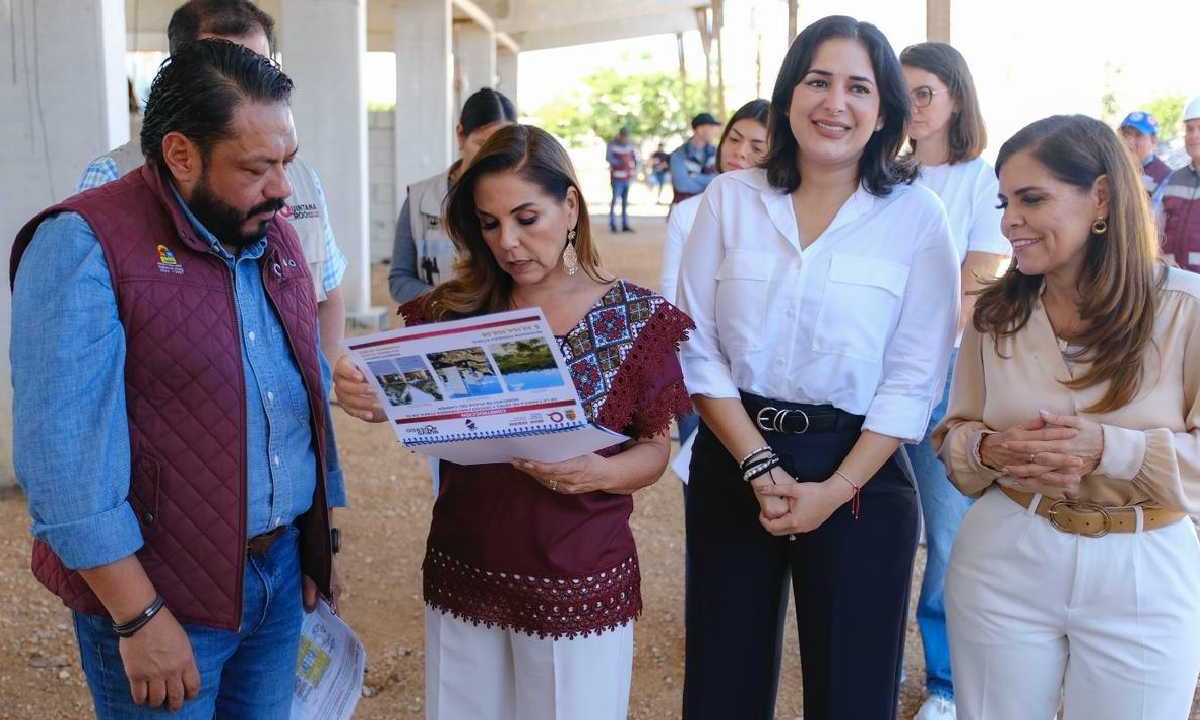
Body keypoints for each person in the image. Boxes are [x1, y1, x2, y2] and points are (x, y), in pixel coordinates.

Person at [11, 39, 344, 719]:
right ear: (181, 154)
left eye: (287, 161)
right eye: (257, 167)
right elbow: (64, 462)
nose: (282, 187)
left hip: (278, 576)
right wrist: (137, 617)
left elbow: (300, 397)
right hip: (164, 597)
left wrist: (318, 539)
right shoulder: (83, 242)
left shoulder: (267, 226)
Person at [334, 124, 693, 720]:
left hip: (577, 572)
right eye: (490, 222)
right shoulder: (449, 313)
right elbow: (399, 397)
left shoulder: (635, 318)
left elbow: (655, 448)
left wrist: (597, 475)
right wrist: (367, 396)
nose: (509, 242)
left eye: (527, 218)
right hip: (466, 565)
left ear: (570, 205)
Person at [677, 15, 958, 720]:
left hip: (858, 468)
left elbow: (913, 375)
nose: (836, 103)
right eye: (818, 81)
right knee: (722, 681)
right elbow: (697, 346)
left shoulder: (916, 217)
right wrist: (757, 465)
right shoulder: (730, 200)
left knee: (853, 690)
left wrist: (834, 489)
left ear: (885, 109)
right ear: (788, 94)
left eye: (858, 87)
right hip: (737, 452)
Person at [934, 113, 1200, 720]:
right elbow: (954, 436)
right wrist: (986, 451)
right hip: (1005, 553)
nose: (1008, 221)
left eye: (1032, 199)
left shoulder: (1188, 311)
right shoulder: (992, 315)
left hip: (1145, 567)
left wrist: (1111, 449)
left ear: (1101, 197)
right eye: (1004, 202)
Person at [76, 0, 348, 365]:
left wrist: (328, 377)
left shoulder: (300, 179)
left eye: (259, 67)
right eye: (224, 66)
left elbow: (326, 296)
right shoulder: (112, 179)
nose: (246, 84)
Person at [898, 41, 1012, 720]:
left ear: (957, 99)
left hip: (942, 375)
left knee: (947, 532)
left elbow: (977, 284)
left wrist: (909, 359)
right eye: (900, 91)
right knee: (872, 520)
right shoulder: (883, 173)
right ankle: (873, 658)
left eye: (925, 93)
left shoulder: (979, 178)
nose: (911, 106)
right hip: (871, 372)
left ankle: (944, 683)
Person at [661, 99, 769, 455]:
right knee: (701, 484)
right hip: (699, 372)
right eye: (734, 139)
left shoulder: (783, 216)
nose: (739, 153)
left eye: (757, 147)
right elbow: (673, 300)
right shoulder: (687, 213)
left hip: (759, 379)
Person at [389, 87, 517, 302]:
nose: (492, 154)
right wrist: (451, 303)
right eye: (482, 143)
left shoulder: (521, 196)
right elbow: (399, 280)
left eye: (502, 144)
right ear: (460, 135)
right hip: (438, 325)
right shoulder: (419, 199)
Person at [1161, 95, 1200, 272]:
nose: (1194, 136)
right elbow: (1157, 229)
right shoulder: (1174, 179)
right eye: (1189, 129)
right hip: (1172, 281)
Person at [1118, 110, 1172, 204]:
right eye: (1126, 134)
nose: (1129, 141)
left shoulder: (1164, 177)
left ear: (1153, 141)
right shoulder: (1115, 167)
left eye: (1138, 135)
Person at [669, 112, 722, 204]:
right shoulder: (678, 154)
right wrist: (709, 185)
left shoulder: (716, 153)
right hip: (683, 210)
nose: (714, 131)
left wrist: (694, 176)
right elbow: (681, 185)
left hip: (708, 209)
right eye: (711, 128)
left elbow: (719, 181)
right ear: (700, 130)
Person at [606, 126, 638, 233]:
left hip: (627, 177)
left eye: (626, 136)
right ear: (620, 135)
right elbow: (609, 158)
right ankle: (612, 223)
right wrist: (621, 163)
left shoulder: (629, 145)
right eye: (623, 136)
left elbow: (634, 158)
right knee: (615, 200)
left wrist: (633, 169)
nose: (625, 138)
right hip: (616, 177)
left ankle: (625, 224)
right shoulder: (612, 144)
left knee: (625, 202)